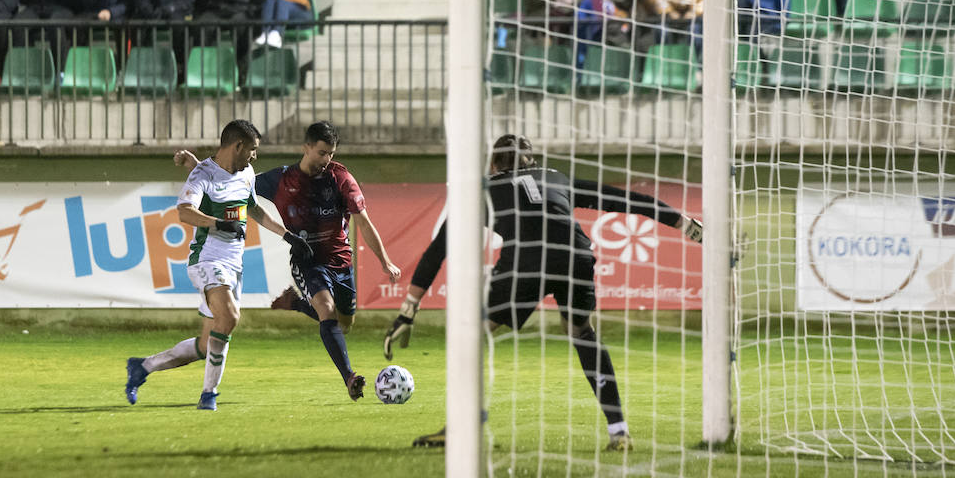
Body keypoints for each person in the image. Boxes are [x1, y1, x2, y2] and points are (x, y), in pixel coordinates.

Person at [384, 134, 704, 450]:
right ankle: (619, 431)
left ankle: (458, 430)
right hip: (575, 255)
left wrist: (408, 309)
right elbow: (623, 200)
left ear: (493, 164)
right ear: (532, 160)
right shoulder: (557, 178)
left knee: (471, 336)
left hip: (526, 260)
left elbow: (437, 250)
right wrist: (684, 223)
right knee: (581, 331)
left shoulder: (483, 191)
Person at [171, 120, 402, 400]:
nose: (327, 160)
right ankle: (349, 377)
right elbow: (228, 180)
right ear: (306, 148)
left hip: (340, 261)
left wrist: (385, 261)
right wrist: (198, 166)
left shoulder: (341, 178)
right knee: (326, 311)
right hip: (307, 260)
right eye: (321, 153)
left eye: (331, 153)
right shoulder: (281, 179)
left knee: (344, 324)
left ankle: (296, 303)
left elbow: (363, 222)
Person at [124, 118, 312, 409]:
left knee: (205, 344)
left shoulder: (246, 172)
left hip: (232, 265)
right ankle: (208, 395)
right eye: (252, 149)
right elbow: (185, 212)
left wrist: (287, 236)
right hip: (207, 260)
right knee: (230, 317)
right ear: (237, 146)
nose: (254, 156)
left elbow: (253, 209)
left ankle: (143, 366)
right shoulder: (201, 175)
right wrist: (219, 224)